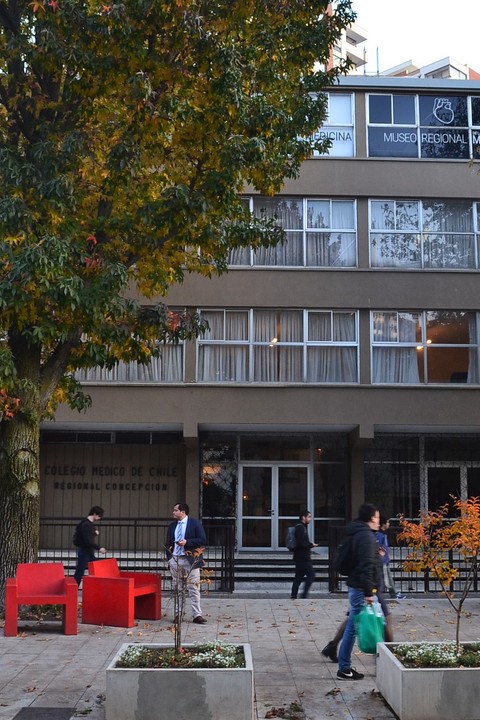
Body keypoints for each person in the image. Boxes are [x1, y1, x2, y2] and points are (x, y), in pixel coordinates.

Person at [322, 530, 394, 663]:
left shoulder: (362, 535)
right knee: (385, 619)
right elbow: (369, 563)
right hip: (369, 586)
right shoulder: (370, 537)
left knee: (352, 619)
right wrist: (380, 557)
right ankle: (387, 657)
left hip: (366, 585)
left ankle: (333, 646)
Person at [335, 502, 381, 680]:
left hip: (358, 587)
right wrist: (369, 592)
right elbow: (366, 565)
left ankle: (345, 666)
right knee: (354, 628)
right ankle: (344, 667)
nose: (379, 521)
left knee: (354, 627)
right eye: (377, 517)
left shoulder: (358, 534)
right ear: (371, 518)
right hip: (363, 590)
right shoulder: (366, 537)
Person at [166, 502, 207, 624]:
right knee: (177, 588)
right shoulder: (172, 526)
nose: (173, 512)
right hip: (176, 559)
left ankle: (197, 615)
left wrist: (187, 542)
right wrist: (169, 557)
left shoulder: (194, 523)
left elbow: (202, 539)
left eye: (175, 510)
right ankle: (178, 614)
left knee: (193, 588)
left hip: (190, 559)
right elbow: (168, 542)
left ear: (182, 512)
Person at [73, 506, 106, 586]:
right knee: (80, 571)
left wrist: (94, 533)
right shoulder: (86, 525)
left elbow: (87, 537)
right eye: (99, 516)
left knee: (88, 569)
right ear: (94, 514)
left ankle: (95, 587)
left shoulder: (87, 523)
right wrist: (99, 548)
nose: (99, 518)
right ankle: (73, 589)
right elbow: (87, 540)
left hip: (88, 551)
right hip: (85, 551)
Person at [290, 510, 318, 599]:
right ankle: (304, 595)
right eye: (309, 517)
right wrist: (311, 545)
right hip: (303, 557)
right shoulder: (301, 528)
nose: (310, 519)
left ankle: (294, 595)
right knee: (311, 575)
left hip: (299, 557)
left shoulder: (301, 527)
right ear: (303, 517)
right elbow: (302, 543)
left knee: (298, 577)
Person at [376, 516, 406, 600]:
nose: (388, 524)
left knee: (388, 578)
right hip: (382, 561)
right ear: (383, 524)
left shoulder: (382, 534)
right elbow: (379, 547)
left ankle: (394, 593)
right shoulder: (379, 535)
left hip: (384, 560)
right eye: (387, 522)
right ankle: (393, 593)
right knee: (387, 579)